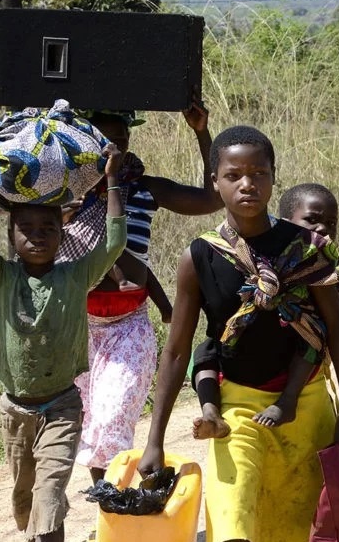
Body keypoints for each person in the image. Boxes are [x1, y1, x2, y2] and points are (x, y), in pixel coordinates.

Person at [139, 126, 339, 542]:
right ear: (214, 183)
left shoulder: (304, 249)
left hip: (305, 399)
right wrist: (153, 438)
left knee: (302, 519)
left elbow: (336, 331)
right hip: (234, 403)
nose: (247, 185)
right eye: (234, 175)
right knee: (231, 521)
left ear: (272, 178)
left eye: (259, 174)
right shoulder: (200, 257)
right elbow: (177, 351)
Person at [0, 146, 126, 542]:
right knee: (22, 503)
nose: (37, 237)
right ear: (10, 237)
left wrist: (112, 180)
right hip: (15, 409)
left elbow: (114, 241)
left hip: (61, 406)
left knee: (50, 495)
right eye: (26, 230)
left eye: (48, 229)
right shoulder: (1, 276)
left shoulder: (76, 276)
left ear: (62, 235)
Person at [58, 106, 222, 487]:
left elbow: (211, 199)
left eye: (122, 138)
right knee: (92, 421)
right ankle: (108, 501)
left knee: (115, 413)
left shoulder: (144, 189)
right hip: (76, 326)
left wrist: (201, 132)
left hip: (127, 325)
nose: (114, 146)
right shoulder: (65, 191)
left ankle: (112, 500)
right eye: (104, 139)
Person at [191, 183, 339, 439]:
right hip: (254, 334)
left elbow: (335, 319)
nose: (323, 229)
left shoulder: (321, 257)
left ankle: (288, 401)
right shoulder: (253, 251)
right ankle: (211, 412)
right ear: (285, 223)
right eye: (312, 220)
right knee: (204, 351)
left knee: (312, 340)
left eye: (331, 223)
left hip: (304, 331)